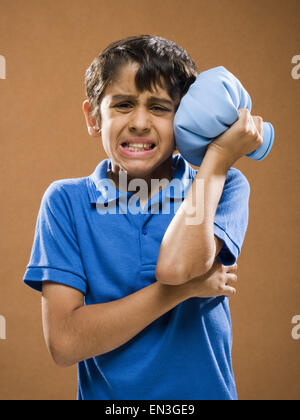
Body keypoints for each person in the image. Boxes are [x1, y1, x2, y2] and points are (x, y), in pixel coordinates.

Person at [23, 35, 263, 400]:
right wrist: (186, 291)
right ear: (93, 117)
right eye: (122, 105)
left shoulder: (224, 184)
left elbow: (176, 266)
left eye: (159, 107)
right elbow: (66, 342)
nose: (139, 122)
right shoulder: (66, 202)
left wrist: (216, 160)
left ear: (185, 121)